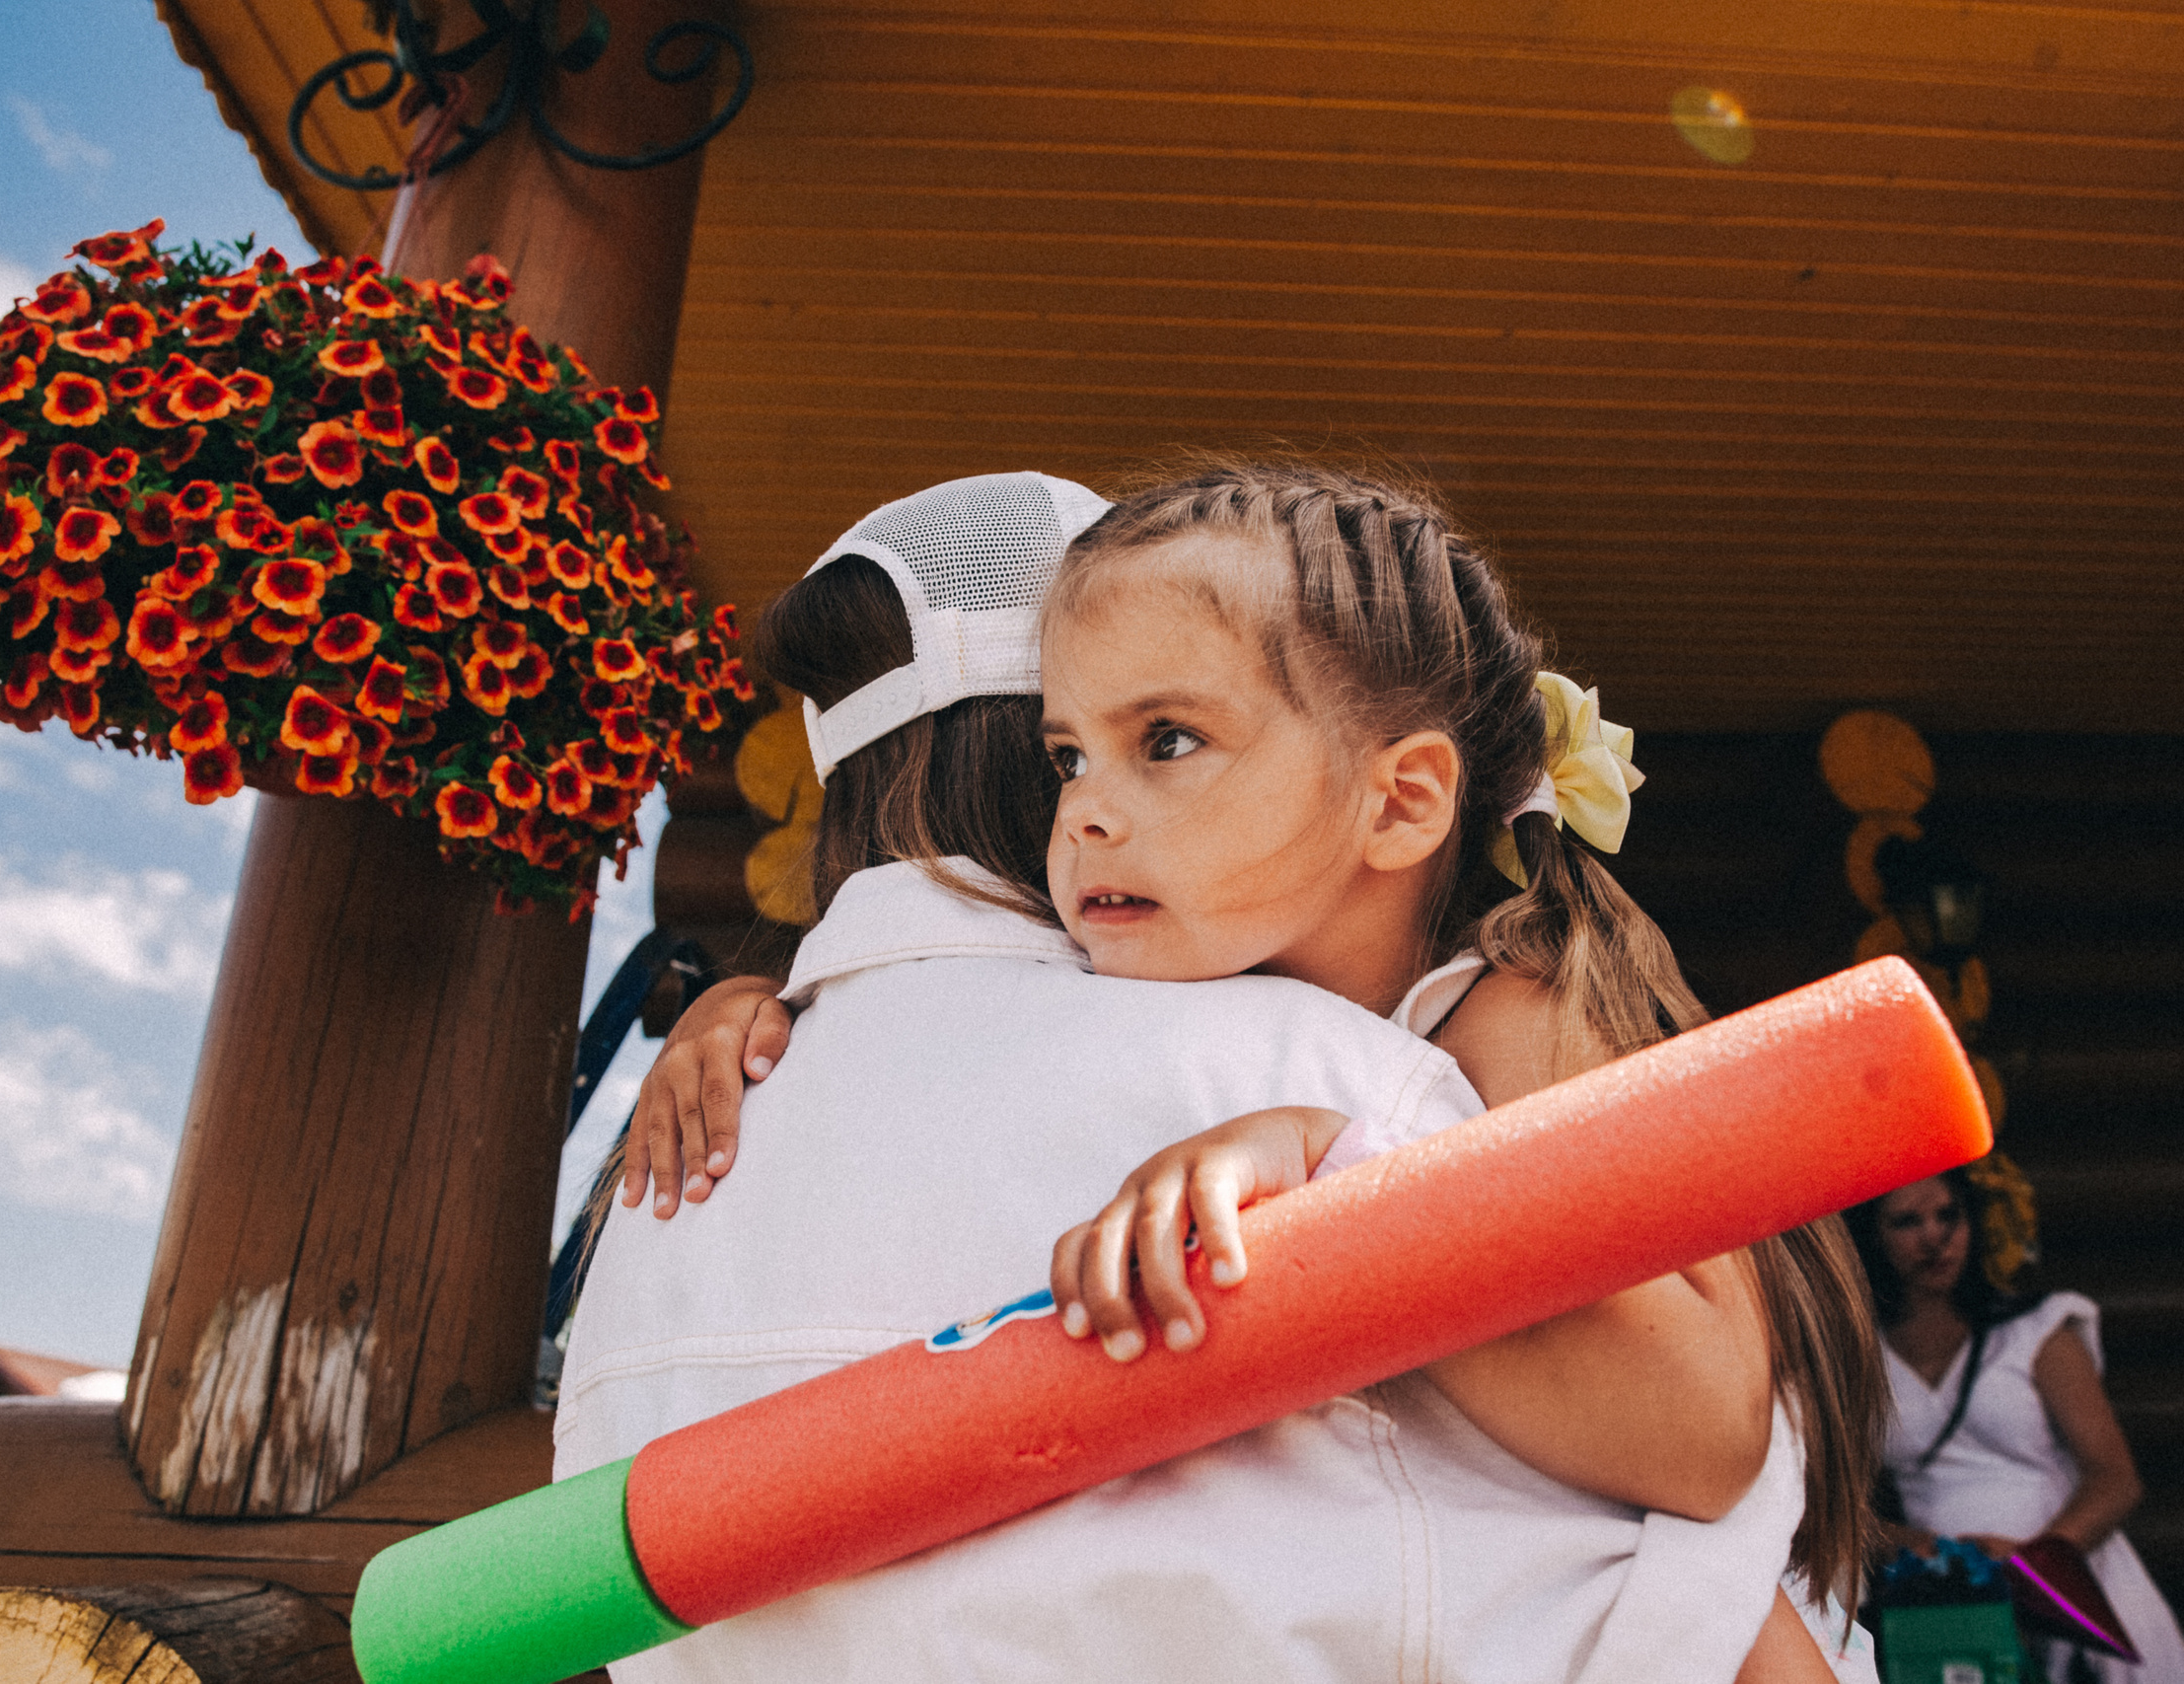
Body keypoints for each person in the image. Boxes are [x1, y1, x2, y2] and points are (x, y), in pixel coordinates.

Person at [580, 462, 1874, 1679]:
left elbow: (1706, 1449)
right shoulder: (1280, 1008)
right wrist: (761, 1003)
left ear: (1401, 802)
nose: (1082, 811)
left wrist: (1331, 1162)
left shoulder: (1504, 1011)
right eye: (1063, 757)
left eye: (1168, 740)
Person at [1846, 1168, 2184, 1684]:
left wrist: (2032, 1568)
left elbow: (2115, 1478)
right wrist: (1910, 1545)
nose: (1934, 1238)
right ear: (1873, 1236)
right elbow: (1837, 1502)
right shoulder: (1861, 1358)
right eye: (1907, 1221)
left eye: (1949, 1215)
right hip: (1945, 1595)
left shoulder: (2035, 1329)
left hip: (2071, 1578)